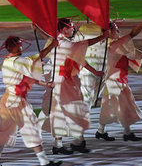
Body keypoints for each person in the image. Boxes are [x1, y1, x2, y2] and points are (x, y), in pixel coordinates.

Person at [0, 36, 62, 166]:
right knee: (31, 128)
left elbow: (27, 77)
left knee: (4, 132)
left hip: (7, 101)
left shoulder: (8, 62)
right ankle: (44, 162)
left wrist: (45, 84)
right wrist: (52, 45)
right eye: (20, 44)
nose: (22, 47)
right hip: (17, 102)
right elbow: (36, 58)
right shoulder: (18, 62)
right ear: (14, 47)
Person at [38, 18, 107, 155]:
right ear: (64, 29)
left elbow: (78, 55)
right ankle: (64, 144)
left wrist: (38, 29)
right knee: (65, 111)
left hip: (67, 80)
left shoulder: (59, 40)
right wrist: (102, 37)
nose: (74, 29)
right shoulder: (64, 43)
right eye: (71, 27)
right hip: (61, 81)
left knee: (74, 110)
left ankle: (76, 141)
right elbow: (83, 45)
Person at [96, 17, 142, 142]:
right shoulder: (114, 44)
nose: (118, 31)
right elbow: (133, 33)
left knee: (111, 106)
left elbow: (133, 53)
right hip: (115, 81)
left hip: (118, 80)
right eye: (116, 29)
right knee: (122, 106)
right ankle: (126, 133)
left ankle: (102, 131)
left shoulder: (116, 45)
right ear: (109, 33)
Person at [77, 22, 108, 108]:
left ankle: (87, 109)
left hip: (102, 69)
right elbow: (83, 43)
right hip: (88, 68)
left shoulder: (108, 35)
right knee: (86, 94)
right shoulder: (85, 29)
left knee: (94, 95)